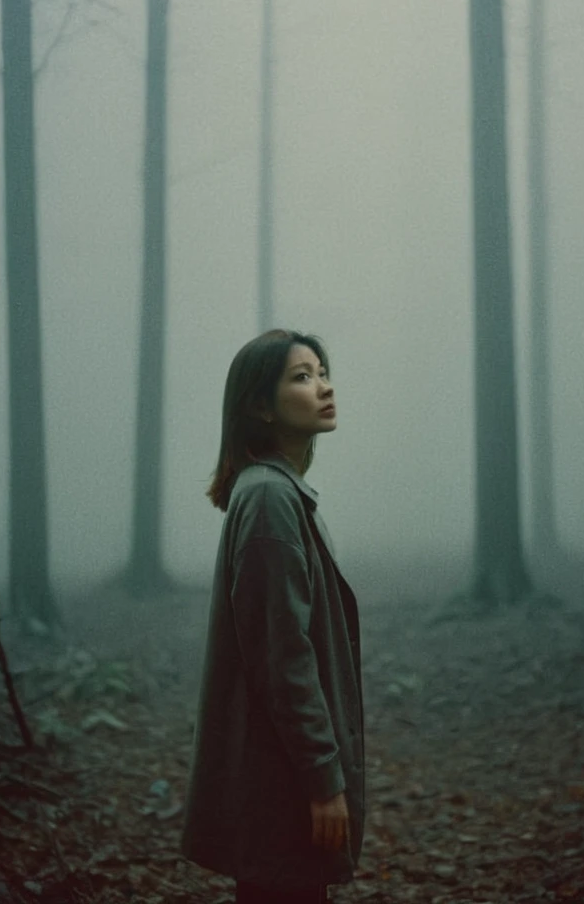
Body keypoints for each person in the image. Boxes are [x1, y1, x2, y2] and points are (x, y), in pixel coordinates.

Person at [180, 330, 365, 904]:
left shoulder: (279, 492)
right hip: (277, 783)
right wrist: (323, 779)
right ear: (261, 405)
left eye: (323, 371)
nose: (324, 386)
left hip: (279, 776)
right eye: (302, 377)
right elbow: (284, 657)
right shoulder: (268, 498)